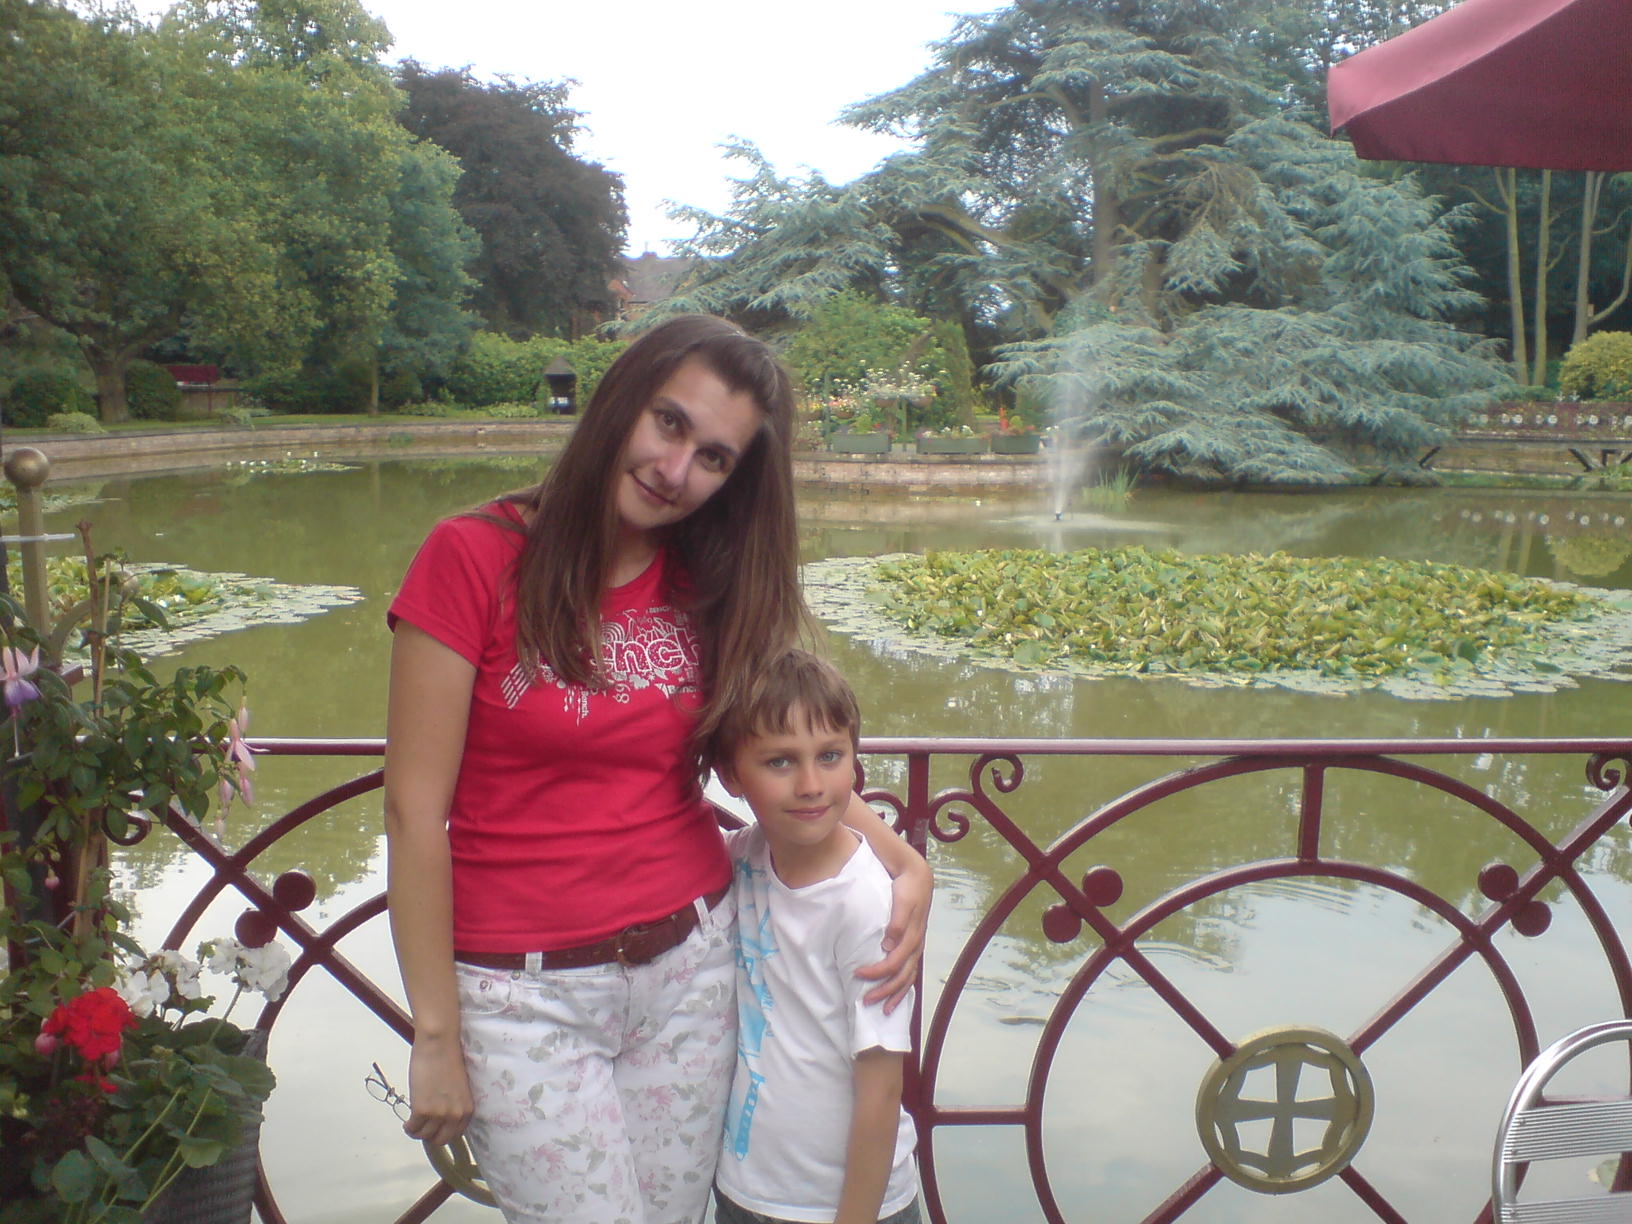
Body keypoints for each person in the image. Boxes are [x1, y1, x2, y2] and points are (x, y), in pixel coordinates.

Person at [382, 314, 931, 1224]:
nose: (676, 470)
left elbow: (778, 757)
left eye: (713, 458)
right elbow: (412, 813)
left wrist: (905, 863)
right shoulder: (473, 556)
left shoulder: (711, 578)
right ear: (621, 400)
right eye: (669, 423)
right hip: (522, 993)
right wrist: (435, 1034)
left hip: (694, 969)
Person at [709, 650, 919, 1224]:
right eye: (780, 762)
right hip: (745, 1190)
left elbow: (881, 1090)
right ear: (730, 776)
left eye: (830, 756)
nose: (810, 785)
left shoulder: (867, 906)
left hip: (847, 1205)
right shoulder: (745, 856)